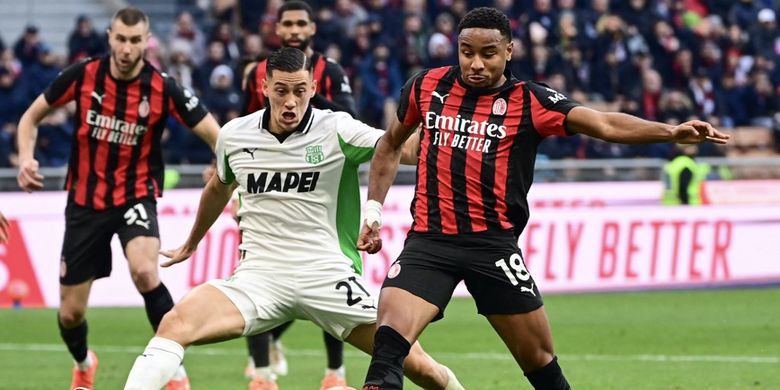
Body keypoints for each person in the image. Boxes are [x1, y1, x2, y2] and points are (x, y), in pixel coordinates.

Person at [357, 7, 730, 390]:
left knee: (541, 366)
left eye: (488, 53)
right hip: (429, 244)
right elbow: (390, 145)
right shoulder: (426, 87)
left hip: (493, 249)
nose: (476, 63)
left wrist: (670, 132)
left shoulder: (530, 101)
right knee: (388, 347)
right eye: (467, 51)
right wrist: (373, 210)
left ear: (509, 52)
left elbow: (602, 123)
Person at [123, 47, 463, 390]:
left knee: (418, 365)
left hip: (327, 276)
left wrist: (449, 130)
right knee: (175, 323)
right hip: (260, 277)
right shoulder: (234, 135)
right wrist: (192, 242)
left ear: (313, 89)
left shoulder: (337, 129)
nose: (291, 101)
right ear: (265, 87)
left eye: (300, 91)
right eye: (282, 90)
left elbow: (400, 149)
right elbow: (219, 187)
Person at [15, 7, 220, 390]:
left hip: (135, 195)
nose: (127, 48)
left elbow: (217, 135)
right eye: (121, 39)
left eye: (135, 40)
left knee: (145, 271)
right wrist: (27, 158)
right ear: (110, 37)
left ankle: (172, 370)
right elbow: (30, 118)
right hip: (85, 202)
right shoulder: (83, 75)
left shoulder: (162, 86)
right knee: (71, 314)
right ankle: (83, 362)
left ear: (146, 42)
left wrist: (220, 166)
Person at [241, 2, 357, 388]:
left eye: (299, 23)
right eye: (286, 23)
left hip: (319, 189)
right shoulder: (255, 74)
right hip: (264, 187)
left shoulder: (332, 71)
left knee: (325, 272)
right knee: (259, 271)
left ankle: (334, 373)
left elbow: (347, 122)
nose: (292, 29)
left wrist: (304, 97)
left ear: (312, 29)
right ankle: (260, 374)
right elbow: (242, 127)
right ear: (277, 28)